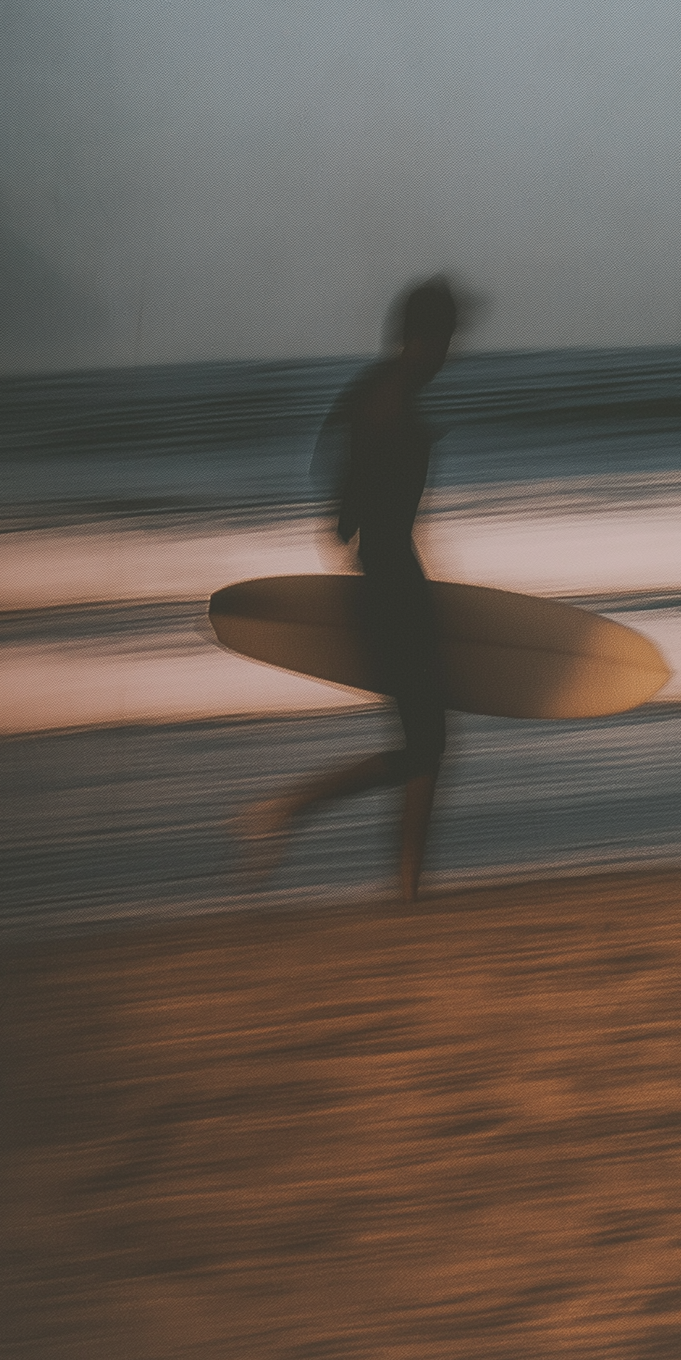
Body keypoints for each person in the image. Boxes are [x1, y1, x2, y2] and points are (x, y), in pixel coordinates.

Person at [238, 277, 461, 903]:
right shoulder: (391, 405)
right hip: (392, 586)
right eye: (444, 339)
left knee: (426, 744)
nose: (449, 353)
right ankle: (288, 811)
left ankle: (403, 885)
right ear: (420, 337)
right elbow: (362, 515)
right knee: (427, 743)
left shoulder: (375, 395)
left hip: (388, 580)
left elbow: (341, 521)